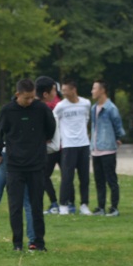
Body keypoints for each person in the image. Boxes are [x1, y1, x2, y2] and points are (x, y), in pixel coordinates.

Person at [0, 78, 56, 251]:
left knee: (37, 205)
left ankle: (38, 242)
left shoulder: (41, 109)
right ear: (17, 94)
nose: (30, 101)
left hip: (36, 164)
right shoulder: (7, 111)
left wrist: (40, 141)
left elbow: (51, 128)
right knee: (15, 206)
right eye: (26, 98)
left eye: (32, 97)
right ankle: (17, 243)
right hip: (14, 165)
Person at [53, 79, 92, 216]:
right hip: (68, 145)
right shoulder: (60, 106)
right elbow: (54, 121)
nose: (63, 93)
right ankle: (64, 205)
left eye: (65, 90)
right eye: (62, 90)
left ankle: (84, 204)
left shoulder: (86, 103)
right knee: (67, 177)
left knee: (84, 177)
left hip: (84, 144)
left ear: (73, 90)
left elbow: (86, 119)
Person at [89, 80, 125, 216]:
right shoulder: (93, 108)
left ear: (102, 90)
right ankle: (101, 207)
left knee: (111, 180)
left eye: (94, 88)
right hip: (96, 149)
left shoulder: (111, 108)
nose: (92, 91)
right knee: (99, 180)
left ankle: (114, 207)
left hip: (108, 149)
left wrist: (118, 138)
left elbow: (118, 126)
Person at [37, 76, 62, 214]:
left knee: (44, 176)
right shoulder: (57, 104)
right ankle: (65, 204)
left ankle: (54, 203)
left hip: (52, 147)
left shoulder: (49, 106)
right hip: (61, 145)